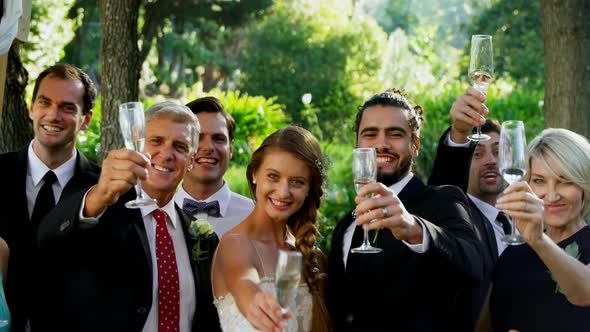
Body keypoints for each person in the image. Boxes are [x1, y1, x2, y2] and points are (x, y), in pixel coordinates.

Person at [37, 102, 221, 331]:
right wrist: (99, 197)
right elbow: (46, 239)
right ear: (138, 144)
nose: (167, 154)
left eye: (180, 146)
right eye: (156, 141)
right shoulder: (100, 207)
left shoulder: (203, 238)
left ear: (191, 161)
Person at [327, 89, 483, 332]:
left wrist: (413, 228)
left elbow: (474, 263)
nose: (381, 144)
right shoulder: (346, 225)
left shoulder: (442, 200)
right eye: (370, 134)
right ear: (357, 145)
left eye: (395, 134)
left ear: (415, 145)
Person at [0, 63, 100, 331]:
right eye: (44, 102)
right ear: (32, 108)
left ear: (86, 119)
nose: (53, 115)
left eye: (68, 108)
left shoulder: (104, 189)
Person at [211, 125, 331, 332]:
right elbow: (244, 283)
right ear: (255, 174)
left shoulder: (314, 258)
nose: (283, 192)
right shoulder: (235, 245)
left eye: (297, 182)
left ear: (310, 189)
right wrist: (253, 300)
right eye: (273, 177)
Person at [476, 128, 590, 332]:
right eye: (539, 180)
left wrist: (538, 240)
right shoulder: (512, 256)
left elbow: (585, 292)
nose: (552, 195)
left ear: (584, 185)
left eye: (566, 181)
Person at [428, 87, 511, 328]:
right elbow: (443, 187)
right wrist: (459, 133)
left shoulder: (523, 222)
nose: (491, 161)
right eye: (478, 153)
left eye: (498, 151)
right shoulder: (454, 217)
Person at [175, 96, 254, 237]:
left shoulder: (255, 216)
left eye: (218, 139)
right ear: (180, 146)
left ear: (230, 148)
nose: (208, 147)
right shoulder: (158, 214)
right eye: (197, 138)